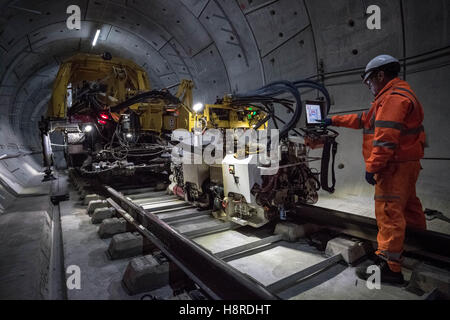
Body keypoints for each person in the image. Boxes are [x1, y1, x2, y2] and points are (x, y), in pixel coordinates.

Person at [323, 54, 427, 284]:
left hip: (393, 168)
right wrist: (332, 121)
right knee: (409, 208)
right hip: (407, 165)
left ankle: (390, 267)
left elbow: (385, 140)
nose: (368, 85)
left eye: (369, 80)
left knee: (389, 212)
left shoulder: (392, 99)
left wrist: (373, 167)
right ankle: (420, 250)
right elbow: (363, 119)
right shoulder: (395, 94)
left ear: (380, 75)